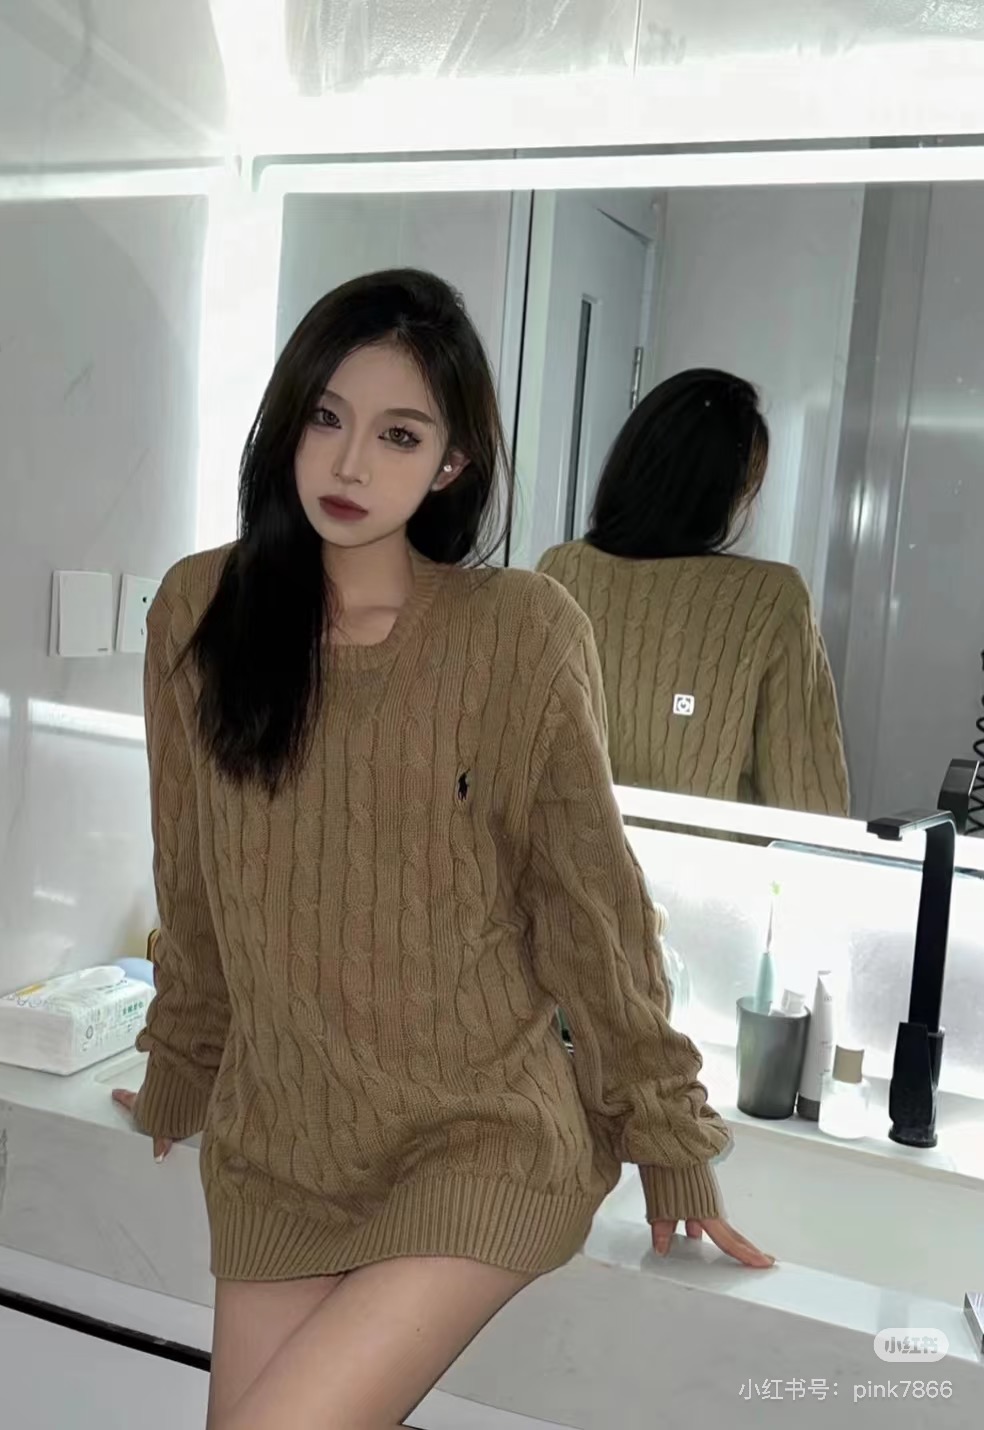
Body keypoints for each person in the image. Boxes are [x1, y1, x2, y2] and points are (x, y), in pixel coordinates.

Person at [113, 274, 770, 1430]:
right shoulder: (200, 609)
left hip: (479, 1138)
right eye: (326, 416)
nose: (350, 462)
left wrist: (666, 1131)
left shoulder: (517, 631)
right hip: (283, 1140)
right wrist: (184, 1057)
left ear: (452, 462)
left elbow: (589, 906)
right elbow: (196, 875)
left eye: (399, 434)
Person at [538, 369, 850, 815]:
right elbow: (812, 812)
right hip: (711, 863)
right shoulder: (772, 600)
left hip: (569, 862)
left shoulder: (560, 572)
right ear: (727, 492)